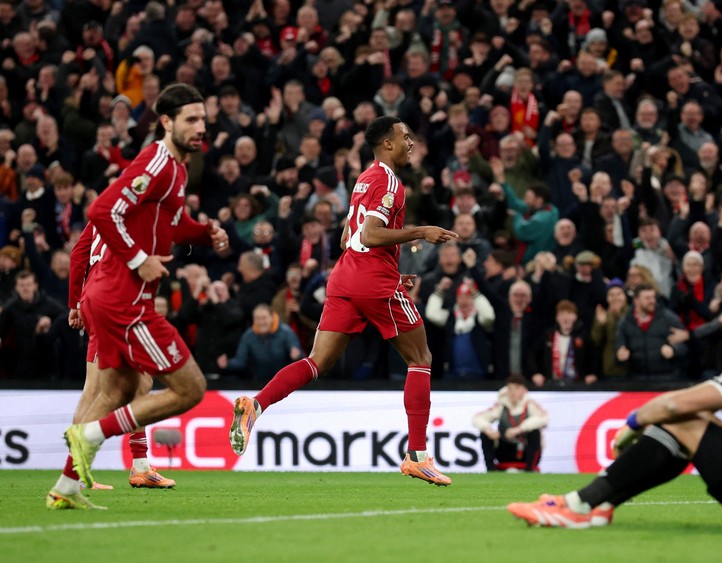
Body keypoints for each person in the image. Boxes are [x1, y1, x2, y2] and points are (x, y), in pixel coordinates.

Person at [228, 116, 458, 486]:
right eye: (405, 136)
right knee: (421, 358)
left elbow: (348, 238)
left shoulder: (364, 178)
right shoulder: (388, 180)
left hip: (345, 276)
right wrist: (420, 232)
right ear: (386, 143)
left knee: (317, 361)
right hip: (371, 280)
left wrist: (389, 270)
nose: (411, 143)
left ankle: (255, 404)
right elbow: (369, 232)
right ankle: (417, 455)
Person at [508, 283, 722, 530]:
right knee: (691, 417)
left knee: (684, 417)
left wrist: (633, 423)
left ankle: (578, 506)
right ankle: (599, 503)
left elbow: (674, 404)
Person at [57, 84, 230, 505]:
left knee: (116, 390)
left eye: (203, 119)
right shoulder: (157, 162)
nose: (200, 127)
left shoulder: (177, 167)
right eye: (190, 119)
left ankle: (67, 486)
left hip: (113, 294)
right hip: (123, 297)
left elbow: (174, 225)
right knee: (189, 388)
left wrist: (204, 234)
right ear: (167, 122)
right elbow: (101, 211)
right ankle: (92, 439)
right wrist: (138, 259)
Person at [47, 222, 177, 511]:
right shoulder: (142, 211)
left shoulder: (103, 214)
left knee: (141, 384)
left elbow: (79, 254)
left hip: (102, 301)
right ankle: (75, 475)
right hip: (115, 303)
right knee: (96, 390)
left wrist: (75, 302)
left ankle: (139, 465)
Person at [472, 374, 548, 472]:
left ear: (524, 390)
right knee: (485, 433)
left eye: (516, 388)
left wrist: (518, 430)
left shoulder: (530, 404)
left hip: (525, 450)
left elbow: (544, 418)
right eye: (510, 389)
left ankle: (529, 469)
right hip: (505, 450)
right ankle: (491, 470)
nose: (513, 392)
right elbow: (477, 418)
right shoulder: (501, 405)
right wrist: (488, 429)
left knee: (535, 432)